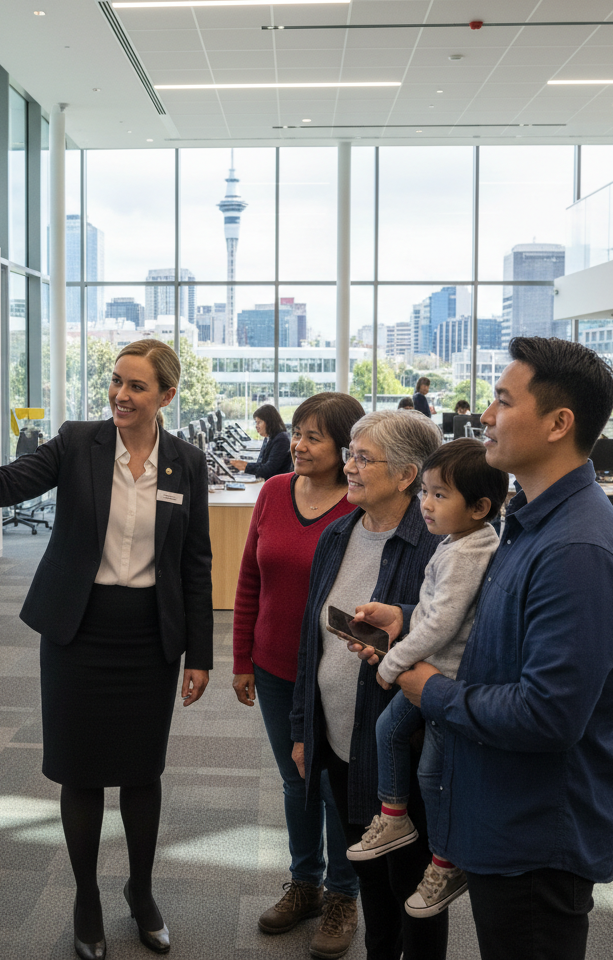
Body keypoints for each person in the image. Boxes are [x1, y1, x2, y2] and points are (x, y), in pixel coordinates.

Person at [0, 339, 213, 960]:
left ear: (167, 397)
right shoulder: (77, 442)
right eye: (116, 382)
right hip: (79, 632)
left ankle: (141, 893)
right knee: (80, 770)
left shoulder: (186, 463)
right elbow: (5, 484)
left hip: (150, 638)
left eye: (137, 386)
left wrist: (199, 654)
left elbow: (195, 562)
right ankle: (86, 898)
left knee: (143, 772)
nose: (121, 394)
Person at [397, 337, 613, 960]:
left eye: (503, 401)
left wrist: (434, 691)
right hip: (500, 814)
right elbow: (501, 634)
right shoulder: (532, 522)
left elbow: (548, 714)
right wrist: (408, 620)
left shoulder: (575, 551)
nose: (484, 416)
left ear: (559, 423)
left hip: (535, 836)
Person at [292, 410, 447, 960]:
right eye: (350, 453)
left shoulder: (438, 546)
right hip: (340, 743)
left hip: (403, 756)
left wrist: (398, 623)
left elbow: (459, 643)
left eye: (363, 457)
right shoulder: (340, 532)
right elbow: (313, 642)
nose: (348, 466)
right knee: (374, 889)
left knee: (414, 896)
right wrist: (302, 728)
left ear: (407, 475)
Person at [345, 439, 508, 922]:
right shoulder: (460, 541)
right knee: (388, 732)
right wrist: (401, 617)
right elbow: (433, 614)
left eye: (440, 495)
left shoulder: (465, 552)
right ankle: (394, 817)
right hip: (435, 670)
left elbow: (440, 624)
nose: (426, 504)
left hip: (445, 678)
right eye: (426, 493)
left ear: (479, 507)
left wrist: (392, 664)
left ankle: (445, 861)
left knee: (433, 776)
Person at [232, 393, 365, 959]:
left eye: (314, 436)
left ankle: (342, 895)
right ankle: (305, 883)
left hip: (335, 673)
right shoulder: (271, 491)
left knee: (336, 786)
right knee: (295, 783)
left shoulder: (360, 505)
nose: (299, 444)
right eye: (298, 433)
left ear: (345, 448)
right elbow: (247, 582)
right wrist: (242, 660)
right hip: (274, 666)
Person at [230, 403, 293, 480]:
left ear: (269, 422)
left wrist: (245, 466)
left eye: (259, 422)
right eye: (256, 422)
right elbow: (262, 463)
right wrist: (245, 465)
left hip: (276, 485)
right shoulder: (270, 437)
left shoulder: (281, 439)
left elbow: (269, 469)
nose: (256, 426)